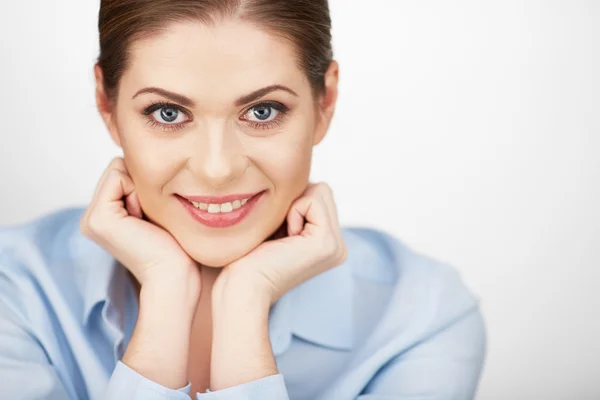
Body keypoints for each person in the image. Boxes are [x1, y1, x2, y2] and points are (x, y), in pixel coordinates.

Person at [0, 0, 486, 399]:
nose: (217, 169)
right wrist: (166, 297)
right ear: (107, 105)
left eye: (263, 110)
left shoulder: (417, 317)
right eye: (168, 113)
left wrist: (245, 302)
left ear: (325, 102)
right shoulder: (15, 294)